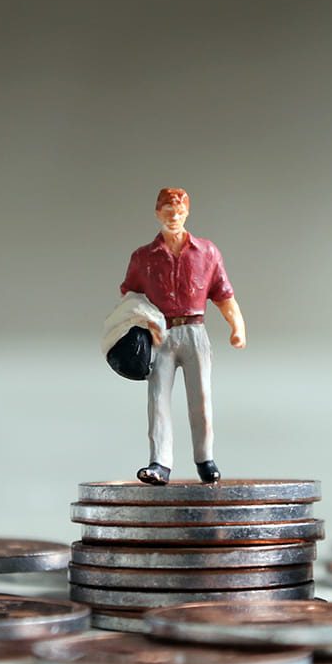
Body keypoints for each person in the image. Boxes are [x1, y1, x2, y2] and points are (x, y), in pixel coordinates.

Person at [119, 188, 246, 485]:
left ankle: (205, 459)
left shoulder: (207, 252)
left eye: (178, 211)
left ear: (187, 213)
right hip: (160, 333)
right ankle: (159, 463)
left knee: (200, 399)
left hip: (195, 331)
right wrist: (141, 322)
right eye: (167, 211)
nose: (173, 216)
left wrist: (237, 326)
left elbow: (224, 294)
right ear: (157, 213)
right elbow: (130, 296)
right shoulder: (143, 257)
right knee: (158, 399)